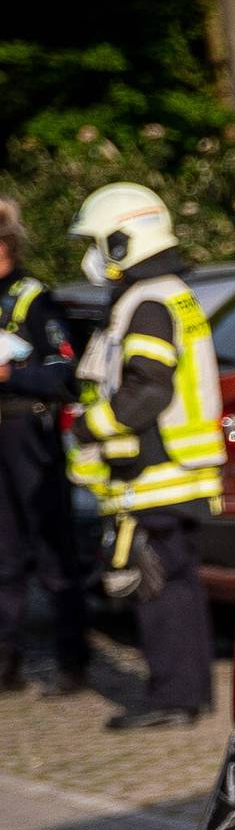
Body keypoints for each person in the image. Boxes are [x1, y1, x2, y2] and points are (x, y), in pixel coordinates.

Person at [62, 182, 223, 729]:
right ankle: (186, 695)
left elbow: (149, 389)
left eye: (98, 242)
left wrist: (89, 426)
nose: (91, 256)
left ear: (123, 241)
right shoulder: (163, 293)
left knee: (157, 587)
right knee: (177, 585)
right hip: (172, 471)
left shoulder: (148, 301)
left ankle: (172, 700)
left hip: (156, 472)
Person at [0, 199, 90, 695]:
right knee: (3, 557)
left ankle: (72, 661)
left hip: (28, 432)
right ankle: (6, 663)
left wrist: (13, 375)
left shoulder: (34, 299)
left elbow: (65, 373)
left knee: (53, 551)